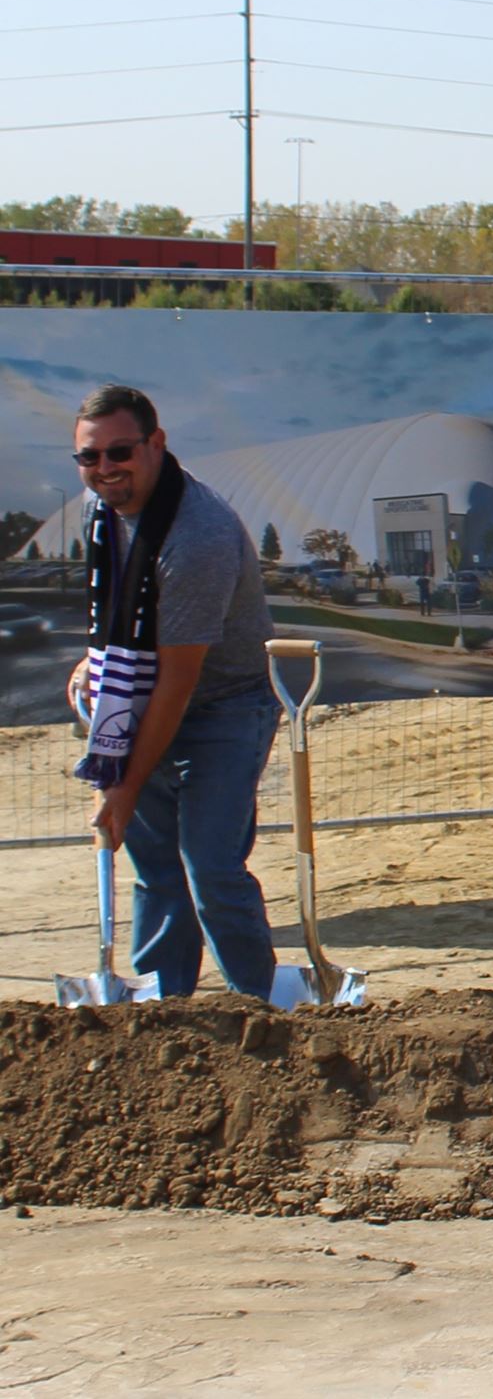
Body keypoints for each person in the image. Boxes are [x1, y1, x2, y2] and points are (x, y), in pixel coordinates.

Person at [63, 384, 281, 996]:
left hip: (225, 707)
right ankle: (165, 1011)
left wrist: (123, 789)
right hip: (141, 697)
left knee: (209, 868)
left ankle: (260, 1015)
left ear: (156, 444)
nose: (105, 468)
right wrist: (93, 659)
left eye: (120, 451)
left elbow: (178, 685)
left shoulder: (198, 538)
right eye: (89, 456)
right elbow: (115, 599)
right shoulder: (99, 506)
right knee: (157, 871)